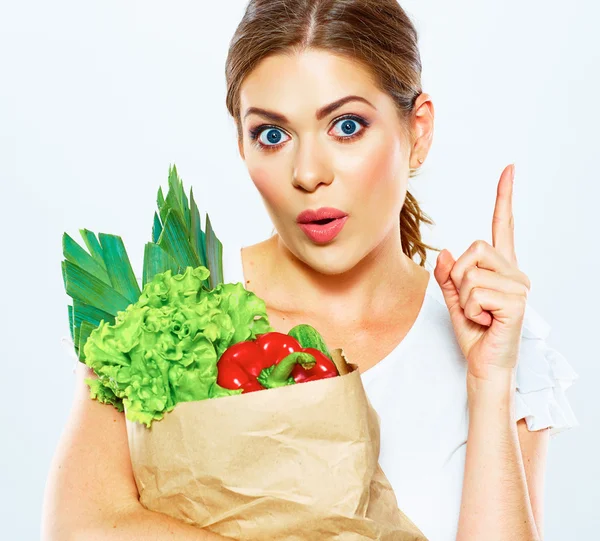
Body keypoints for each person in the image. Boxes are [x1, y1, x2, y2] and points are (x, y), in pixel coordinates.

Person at [42, 1, 578, 540]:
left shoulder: (499, 341)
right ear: (241, 144)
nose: (307, 173)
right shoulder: (168, 315)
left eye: (346, 126)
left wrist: (489, 383)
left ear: (418, 129)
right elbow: (82, 526)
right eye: (272, 135)